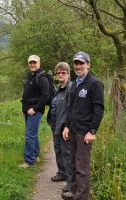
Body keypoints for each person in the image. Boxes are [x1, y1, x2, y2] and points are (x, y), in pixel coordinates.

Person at [62, 52, 104, 200]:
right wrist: (66, 126)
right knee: (72, 163)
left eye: (81, 63)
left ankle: (81, 196)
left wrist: (92, 131)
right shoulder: (74, 85)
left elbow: (99, 109)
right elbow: (70, 108)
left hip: (84, 133)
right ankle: (73, 190)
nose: (78, 66)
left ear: (88, 64)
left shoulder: (95, 84)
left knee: (82, 166)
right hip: (73, 131)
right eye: (76, 63)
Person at [19, 55, 50, 168]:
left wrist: (35, 109)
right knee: (33, 134)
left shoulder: (41, 77)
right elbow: (26, 95)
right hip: (28, 110)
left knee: (29, 135)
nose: (32, 65)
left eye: (34, 62)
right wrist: (24, 110)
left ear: (39, 63)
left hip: (35, 111)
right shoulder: (30, 77)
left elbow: (46, 95)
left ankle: (29, 161)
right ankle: (35, 155)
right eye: (30, 63)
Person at [47, 62, 73, 193]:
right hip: (55, 127)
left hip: (65, 129)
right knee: (58, 151)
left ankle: (70, 182)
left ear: (68, 74)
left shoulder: (70, 89)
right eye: (58, 73)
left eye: (63, 72)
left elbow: (71, 109)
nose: (60, 74)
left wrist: (67, 126)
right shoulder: (58, 89)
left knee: (67, 154)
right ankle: (62, 173)